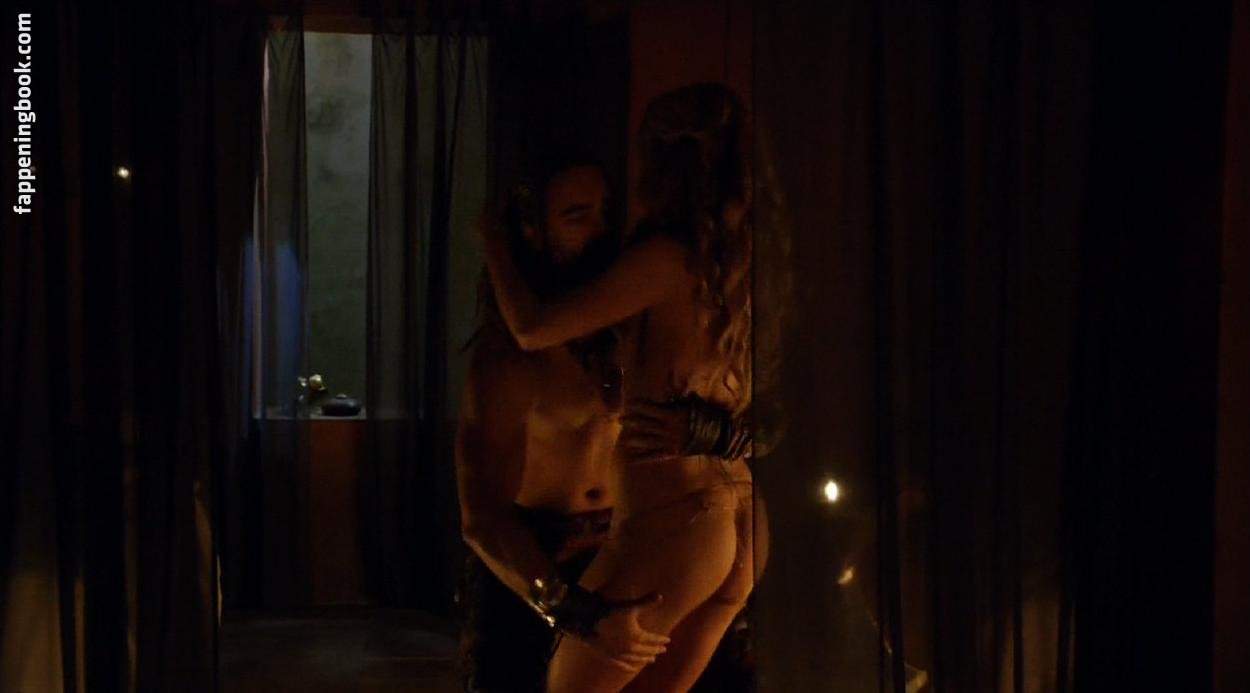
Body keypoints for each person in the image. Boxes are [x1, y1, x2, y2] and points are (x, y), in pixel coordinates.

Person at [481, 84, 763, 693]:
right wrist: (718, 431)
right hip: (726, 517)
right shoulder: (732, 264)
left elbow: (533, 326)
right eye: (576, 216)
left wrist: (491, 243)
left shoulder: (662, 266)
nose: (603, 228)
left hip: (680, 523)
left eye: (605, 211)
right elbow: (481, 516)